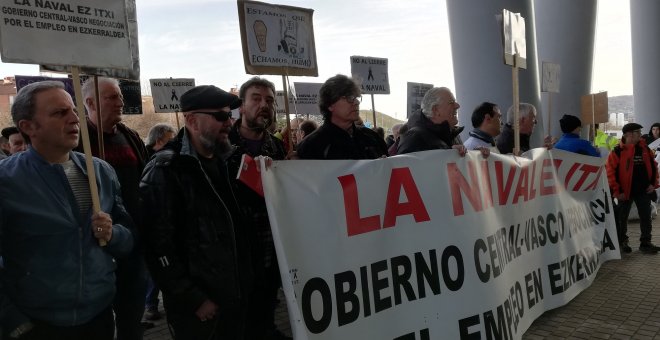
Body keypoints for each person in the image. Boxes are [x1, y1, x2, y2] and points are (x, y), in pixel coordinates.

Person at [0, 80, 134, 340]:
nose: (75, 118)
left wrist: (113, 233)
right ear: (28, 127)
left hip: (99, 317)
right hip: (37, 325)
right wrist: (13, 321)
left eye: (74, 109)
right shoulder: (6, 181)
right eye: (60, 113)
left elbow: (128, 239)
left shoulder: (101, 171)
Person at [140, 85, 253, 339]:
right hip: (200, 308)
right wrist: (193, 299)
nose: (228, 123)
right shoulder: (166, 169)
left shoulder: (227, 161)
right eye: (221, 116)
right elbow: (157, 246)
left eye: (230, 116)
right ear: (191, 120)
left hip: (233, 296)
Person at [77, 77, 149, 340]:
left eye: (120, 96)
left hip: (131, 240)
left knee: (132, 314)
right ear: (90, 102)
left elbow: (144, 180)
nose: (121, 102)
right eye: (111, 97)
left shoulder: (129, 136)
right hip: (94, 244)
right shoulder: (77, 138)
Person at [226, 76, 290, 340]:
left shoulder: (276, 146)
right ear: (241, 105)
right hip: (238, 245)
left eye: (269, 100)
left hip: (271, 241)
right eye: (256, 98)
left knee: (267, 297)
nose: (264, 105)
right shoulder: (224, 145)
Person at [297, 74, 388, 160]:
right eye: (349, 97)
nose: (356, 102)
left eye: (356, 97)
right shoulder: (311, 145)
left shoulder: (372, 137)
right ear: (330, 104)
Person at [606, 123, 660, 254]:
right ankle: (622, 242)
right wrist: (617, 192)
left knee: (646, 217)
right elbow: (610, 173)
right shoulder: (617, 151)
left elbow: (654, 167)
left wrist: (653, 184)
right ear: (628, 134)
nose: (641, 134)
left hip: (643, 190)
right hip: (625, 192)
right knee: (622, 218)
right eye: (637, 132)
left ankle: (645, 243)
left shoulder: (645, 149)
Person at [397, 87, 472, 157]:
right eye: (451, 102)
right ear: (436, 110)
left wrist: (475, 156)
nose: (457, 106)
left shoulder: (452, 135)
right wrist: (448, 154)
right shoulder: (414, 139)